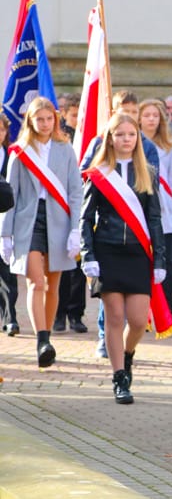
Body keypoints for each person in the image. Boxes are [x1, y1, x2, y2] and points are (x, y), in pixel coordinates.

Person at [80, 112, 166, 404]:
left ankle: (127, 355)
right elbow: (85, 217)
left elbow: (155, 220)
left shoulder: (148, 173)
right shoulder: (98, 172)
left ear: (137, 138)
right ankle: (119, 376)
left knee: (139, 320)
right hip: (108, 250)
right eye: (120, 134)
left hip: (139, 255)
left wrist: (161, 260)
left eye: (131, 134)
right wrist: (88, 256)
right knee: (115, 317)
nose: (126, 140)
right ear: (110, 138)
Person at [1, 96, 83, 367]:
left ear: (55, 120)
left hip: (58, 221)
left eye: (49, 119)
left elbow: (74, 192)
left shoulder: (66, 149)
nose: (45, 124)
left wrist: (75, 230)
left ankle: (47, 338)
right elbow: (10, 196)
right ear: (31, 121)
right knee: (36, 281)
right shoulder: (20, 151)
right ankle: (42, 340)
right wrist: (5, 233)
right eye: (40, 119)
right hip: (29, 221)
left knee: (53, 284)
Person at [139, 99, 172, 314]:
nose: (151, 119)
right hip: (140, 208)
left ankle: (166, 312)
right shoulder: (133, 143)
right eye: (147, 115)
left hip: (164, 211)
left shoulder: (169, 147)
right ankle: (143, 312)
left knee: (166, 263)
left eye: (155, 115)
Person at [55, 93, 88, 334]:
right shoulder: (60, 139)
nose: (79, 119)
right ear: (64, 114)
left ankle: (76, 313)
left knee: (79, 265)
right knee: (61, 263)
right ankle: (58, 314)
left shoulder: (89, 134)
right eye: (74, 115)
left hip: (83, 203)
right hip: (60, 205)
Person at [0, 114, 19, 336]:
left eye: (2, 130)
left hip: (6, 216)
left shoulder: (12, 155)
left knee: (7, 270)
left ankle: (10, 316)